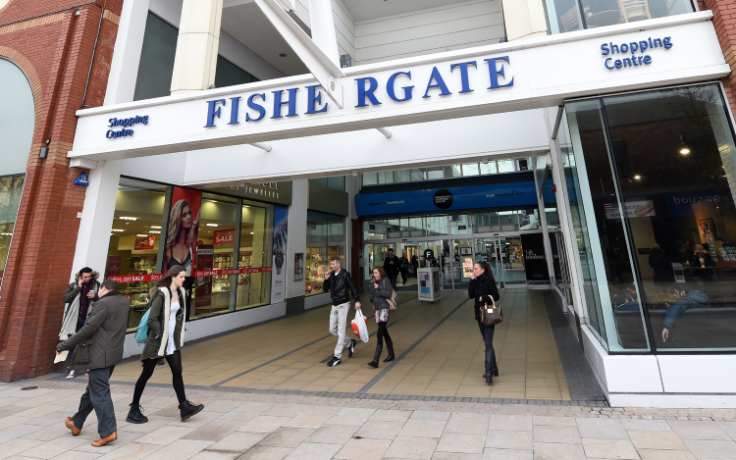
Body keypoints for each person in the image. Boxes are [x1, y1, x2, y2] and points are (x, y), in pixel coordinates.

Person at [127, 265, 204, 424]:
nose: (184, 279)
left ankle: (184, 406)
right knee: (146, 374)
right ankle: (133, 409)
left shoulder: (181, 293)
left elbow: (178, 316)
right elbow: (152, 319)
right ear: (173, 277)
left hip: (172, 343)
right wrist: (159, 334)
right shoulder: (162, 294)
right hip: (157, 342)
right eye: (182, 276)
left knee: (177, 371)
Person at [57, 278, 129, 447]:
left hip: (99, 355)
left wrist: (64, 345)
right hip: (113, 353)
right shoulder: (123, 302)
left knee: (100, 393)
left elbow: (88, 328)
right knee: (93, 390)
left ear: (103, 288)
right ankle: (77, 422)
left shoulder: (103, 304)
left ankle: (108, 431)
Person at [60, 267, 100, 379]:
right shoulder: (73, 285)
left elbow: (104, 300)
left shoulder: (97, 285)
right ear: (81, 277)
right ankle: (72, 369)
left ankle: (88, 367)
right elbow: (66, 299)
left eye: (89, 276)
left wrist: (95, 296)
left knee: (89, 344)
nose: (88, 279)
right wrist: (79, 287)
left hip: (89, 319)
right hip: (75, 320)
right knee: (72, 344)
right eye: (85, 277)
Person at [323, 257, 362, 367]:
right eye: (331, 264)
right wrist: (326, 279)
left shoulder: (345, 274)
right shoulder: (330, 275)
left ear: (339, 265)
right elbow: (325, 289)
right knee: (332, 329)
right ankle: (349, 343)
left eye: (333, 264)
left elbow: (352, 287)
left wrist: (357, 300)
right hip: (334, 304)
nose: (331, 266)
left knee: (340, 330)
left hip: (343, 304)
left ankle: (337, 356)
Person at [468, 261, 500, 384]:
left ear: (482, 270)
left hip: (489, 316)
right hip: (479, 315)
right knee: (487, 343)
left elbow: (496, 296)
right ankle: (494, 367)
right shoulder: (475, 280)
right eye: (473, 269)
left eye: (475, 269)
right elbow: (470, 295)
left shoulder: (489, 281)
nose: (474, 271)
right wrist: (471, 281)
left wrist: (486, 297)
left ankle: (488, 372)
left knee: (488, 343)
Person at [367, 267, 395, 368]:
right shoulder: (373, 282)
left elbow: (389, 293)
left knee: (379, 334)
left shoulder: (385, 281)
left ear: (380, 273)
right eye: (373, 273)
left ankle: (376, 360)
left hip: (384, 309)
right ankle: (391, 354)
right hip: (377, 310)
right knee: (384, 332)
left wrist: (378, 288)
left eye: (376, 273)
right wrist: (372, 295)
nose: (374, 275)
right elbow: (371, 294)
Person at [165, 199, 199, 275]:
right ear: (178, 218)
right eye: (184, 215)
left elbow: (200, 211)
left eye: (189, 213)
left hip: (188, 287)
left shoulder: (191, 243)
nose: (189, 217)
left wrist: (193, 227)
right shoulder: (168, 248)